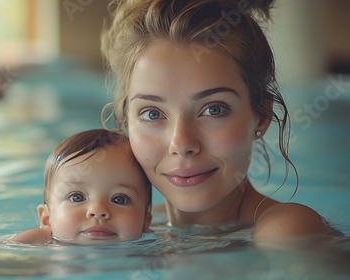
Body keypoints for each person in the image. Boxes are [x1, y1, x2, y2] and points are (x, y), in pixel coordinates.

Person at [100, 0, 331, 241]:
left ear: (261, 116)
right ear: (124, 123)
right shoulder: (132, 225)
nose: (181, 144)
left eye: (213, 110)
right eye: (152, 114)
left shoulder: (287, 230)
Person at [7, 129, 152, 245]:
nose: (98, 210)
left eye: (119, 199)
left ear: (145, 221)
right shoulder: (43, 242)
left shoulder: (157, 250)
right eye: (76, 197)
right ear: (47, 218)